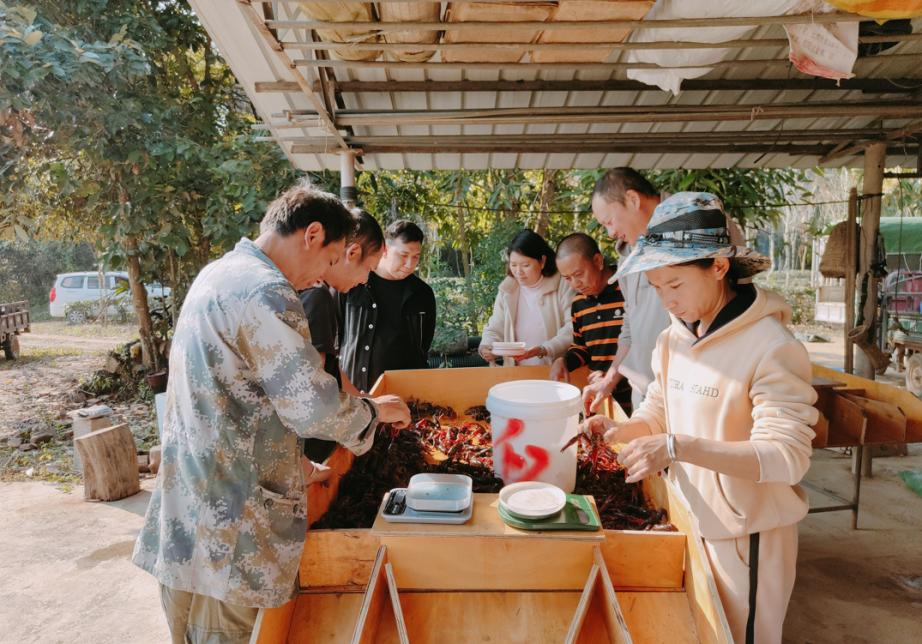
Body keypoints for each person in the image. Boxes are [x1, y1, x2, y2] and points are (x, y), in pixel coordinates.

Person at [132, 184, 411, 644]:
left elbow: (238, 400)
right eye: (329, 259)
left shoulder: (218, 273)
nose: (322, 277)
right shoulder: (266, 290)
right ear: (313, 234)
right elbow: (311, 408)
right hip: (232, 532)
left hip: (188, 517)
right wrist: (372, 412)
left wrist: (299, 465)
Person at [582, 192, 817, 644]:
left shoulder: (772, 346)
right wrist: (616, 430)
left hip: (748, 536)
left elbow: (786, 457)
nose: (667, 301)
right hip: (690, 521)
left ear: (719, 267)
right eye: (656, 288)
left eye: (676, 285)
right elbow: (658, 411)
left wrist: (676, 447)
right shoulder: (674, 339)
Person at [299, 208, 385, 468]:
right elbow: (318, 387)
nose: (365, 279)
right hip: (310, 446)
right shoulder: (317, 295)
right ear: (352, 253)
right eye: (370, 268)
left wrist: (367, 400)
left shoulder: (322, 292)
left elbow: (332, 366)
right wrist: (373, 412)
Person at [339, 219, 436, 393]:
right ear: (384, 249)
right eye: (403, 255)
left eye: (415, 257)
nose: (409, 264)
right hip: (356, 392)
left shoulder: (423, 294)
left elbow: (424, 345)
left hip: (407, 395)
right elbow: (335, 336)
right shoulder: (354, 282)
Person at [550, 233, 633, 414]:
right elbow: (582, 348)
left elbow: (641, 344)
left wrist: (611, 377)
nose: (575, 284)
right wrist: (563, 361)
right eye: (567, 278)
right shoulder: (578, 303)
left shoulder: (628, 290)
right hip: (602, 401)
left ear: (597, 261)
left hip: (637, 400)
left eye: (579, 274)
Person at [479, 229, 575, 366]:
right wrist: (486, 345)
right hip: (516, 373)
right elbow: (495, 326)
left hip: (554, 372)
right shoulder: (507, 289)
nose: (519, 272)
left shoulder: (563, 284)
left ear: (542, 261)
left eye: (525, 265)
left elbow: (572, 327)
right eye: (513, 265)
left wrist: (545, 349)